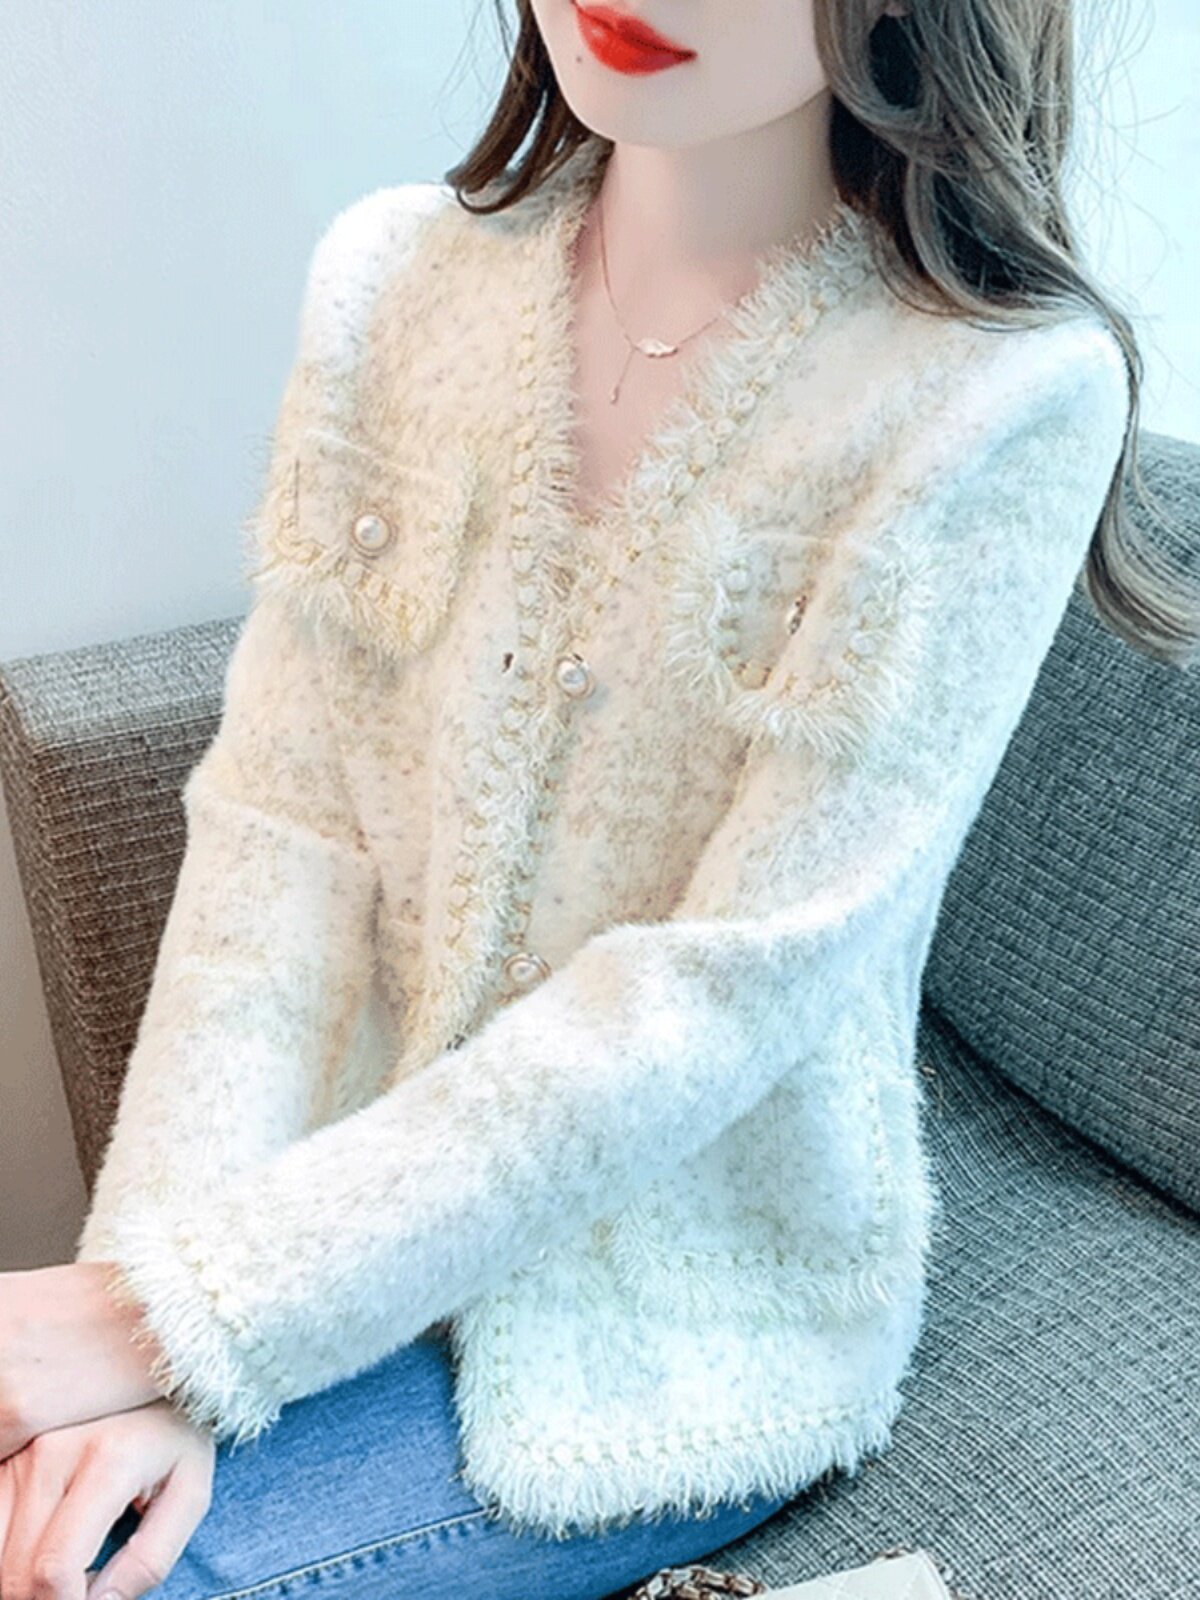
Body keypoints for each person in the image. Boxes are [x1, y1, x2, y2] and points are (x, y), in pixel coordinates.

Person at [2, 1, 1195, 1598]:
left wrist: (168, 1317)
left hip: (667, 1321)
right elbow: (280, 840)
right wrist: (139, 1320)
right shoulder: (394, 277)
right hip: (297, 1199)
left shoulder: (996, 399)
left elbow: (719, 995)